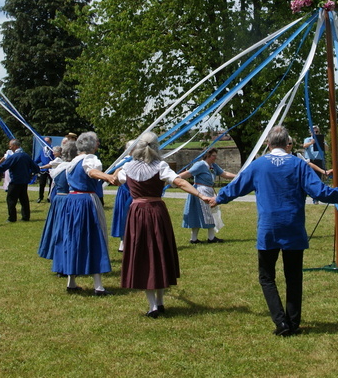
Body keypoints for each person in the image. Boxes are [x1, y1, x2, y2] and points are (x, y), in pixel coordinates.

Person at [214, 126, 338, 336]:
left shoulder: (258, 165)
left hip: (269, 228)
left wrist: (218, 199)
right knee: (293, 276)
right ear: (287, 144)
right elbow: (320, 192)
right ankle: (293, 323)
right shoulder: (298, 164)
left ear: (268, 143)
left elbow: (237, 186)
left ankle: (281, 322)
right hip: (293, 226)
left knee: (267, 277)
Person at [115, 132, 210, 317]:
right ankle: (159, 302)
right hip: (157, 212)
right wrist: (200, 195)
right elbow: (180, 182)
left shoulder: (127, 167)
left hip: (137, 213)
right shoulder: (161, 166)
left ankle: (153, 306)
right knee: (158, 253)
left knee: (143, 255)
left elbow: (113, 179)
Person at [50, 132, 114, 295]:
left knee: (73, 238)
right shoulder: (90, 159)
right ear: (92, 145)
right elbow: (91, 172)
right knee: (94, 238)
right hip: (86, 201)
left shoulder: (73, 161)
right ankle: (98, 286)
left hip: (72, 202)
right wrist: (107, 177)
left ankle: (71, 282)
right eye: (96, 143)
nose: (98, 145)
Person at [179, 148, 237, 244]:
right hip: (200, 191)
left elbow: (224, 174)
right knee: (201, 214)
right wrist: (174, 178)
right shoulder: (200, 165)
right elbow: (188, 173)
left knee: (211, 213)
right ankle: (194, 239)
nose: (215, 157)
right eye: (213, 155)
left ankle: (211, 237)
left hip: (208, 191)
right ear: (207, 156)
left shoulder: (213, 166)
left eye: (215, 155)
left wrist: (238, 176)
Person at [39, 142, 78, 265]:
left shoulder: (59, 167)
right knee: (66, 231)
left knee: (57, 229)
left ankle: (57, 257)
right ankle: (65, 262)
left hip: (58, 200)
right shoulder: (71, 168)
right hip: (68, 200)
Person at [0, 139, 35, 222]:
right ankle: (25, 216)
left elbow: (5, 165)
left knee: (11, 199)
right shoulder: (26, 155)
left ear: (15, 146)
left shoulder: (14, 157)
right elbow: (34, 166)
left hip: (15, 181)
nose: (9, 147)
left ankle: (12, 218)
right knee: (24, 199)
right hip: (24, 181)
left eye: (10, 146)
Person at [37, 136, 55, 203]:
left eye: (47, 141)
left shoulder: (53, 149)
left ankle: (49, 197)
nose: (45, 143)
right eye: (45, 141)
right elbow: (39, 158)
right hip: (43, 170)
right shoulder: (42, 150)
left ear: (50, 142)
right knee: (42, 184)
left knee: (51, 184)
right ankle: (40, 197)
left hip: (51, 169)